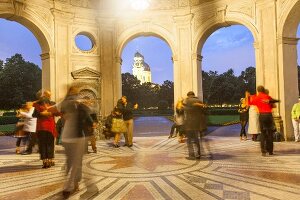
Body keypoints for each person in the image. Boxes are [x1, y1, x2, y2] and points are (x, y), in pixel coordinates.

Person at [51, 85, 93, 198]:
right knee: (75, 163)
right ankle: (68, 186)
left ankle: (74, 183)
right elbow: (90, 115)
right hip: (77, 137)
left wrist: (62, 114)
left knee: (72, 162)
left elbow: (51, 109)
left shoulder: (64, 103)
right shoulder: (78, 103)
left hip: (66, 137)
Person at [246, 86, 279, 156]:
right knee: (270, 134)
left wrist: (248, 97)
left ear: (258, 91)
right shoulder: (267, 97)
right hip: (269, 116)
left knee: (263, 133)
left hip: (262, 115)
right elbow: (274, 105)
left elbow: (249, 103)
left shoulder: (257, 98)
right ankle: (270, 151)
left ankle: (263, 151)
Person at [33, 90, 57, 168]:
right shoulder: (52, 103)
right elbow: (57, 113)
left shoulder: (37, 104)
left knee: (43, 144)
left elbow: (34, 115)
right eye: (48, 95)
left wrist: (42, 113)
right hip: (49, 127)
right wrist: (49, 113)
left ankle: (45, 161)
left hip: (42, 127)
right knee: (50, 143)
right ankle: (49, 160)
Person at [183, 91, 205, 160]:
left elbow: (187, 110)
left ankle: (191, 155)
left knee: (189, 140)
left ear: (188, 95)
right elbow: (203, 111)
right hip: (197, 123)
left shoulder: (187, 101)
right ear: (193, 95)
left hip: (189, 123)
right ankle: (198, 154)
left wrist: (183, 107)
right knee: (196, 139)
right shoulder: (199, 101)